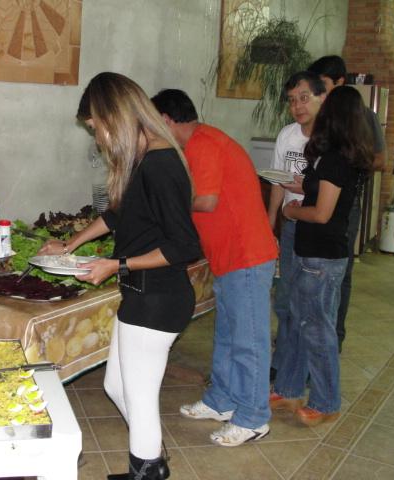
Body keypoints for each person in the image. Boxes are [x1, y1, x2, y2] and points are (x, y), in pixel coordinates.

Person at [39, 72, 201, 480]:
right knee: (116, 386)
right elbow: (117, 215)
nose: (97, 139)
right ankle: (152, 459)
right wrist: (69, 245)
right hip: (142, 296)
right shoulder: (142, 160)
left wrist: (118, 265)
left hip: (158, 298)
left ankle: (146, 470)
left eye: (96, 128)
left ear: (114, 116)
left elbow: (184, 246)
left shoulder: (160, 164)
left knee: (140, 399)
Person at [151, 89, 277, 447]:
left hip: (246, 256)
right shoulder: (198, 142)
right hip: (229, 257)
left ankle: (253, 418)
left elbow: (205, 201)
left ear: (166, 119)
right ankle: (221, 400)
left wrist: (165, 203)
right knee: (227, 337)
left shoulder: (203, 144)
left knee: (248, 342)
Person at [270, 86, 374, 426]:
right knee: (299, 322)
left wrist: (292, 212)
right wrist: (301, 187)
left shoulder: (336, 159)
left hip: (322, 256)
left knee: (317, 330)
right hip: (310, 251)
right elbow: (318, 191)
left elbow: (322, 213)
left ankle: (326, 401)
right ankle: (288, 389)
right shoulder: (332, 154)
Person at [307, 55, 386, 352]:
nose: (317, 91)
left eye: (323, 84)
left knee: (340, 272)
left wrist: (344, 162)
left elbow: (380, 160)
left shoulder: (361, 115)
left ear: (340, 82)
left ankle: (333, 336)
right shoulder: (315, 110)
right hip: (314, 199)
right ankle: (307, 337)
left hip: (344, 205)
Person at [267, 72, 327, 379]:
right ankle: (283, 363)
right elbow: (278, 182)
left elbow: (331, 191)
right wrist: (270, 223)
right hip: (291, 225)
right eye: (292, 100)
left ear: (322, 97)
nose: (297, 106)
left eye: (304, 98)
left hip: (319, 229)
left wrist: (306, 188)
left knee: (313, 304)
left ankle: (307, 367)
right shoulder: (287, 135)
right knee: (285, 298)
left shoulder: (331, 139)